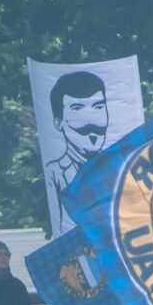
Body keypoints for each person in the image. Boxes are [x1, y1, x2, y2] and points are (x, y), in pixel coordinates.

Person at [44, 71, 109, 231]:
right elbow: (60, 228)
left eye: (98, 107)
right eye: (77, 109)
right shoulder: (55, 172)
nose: (91, 121)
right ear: (58, 122)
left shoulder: (118, 167)